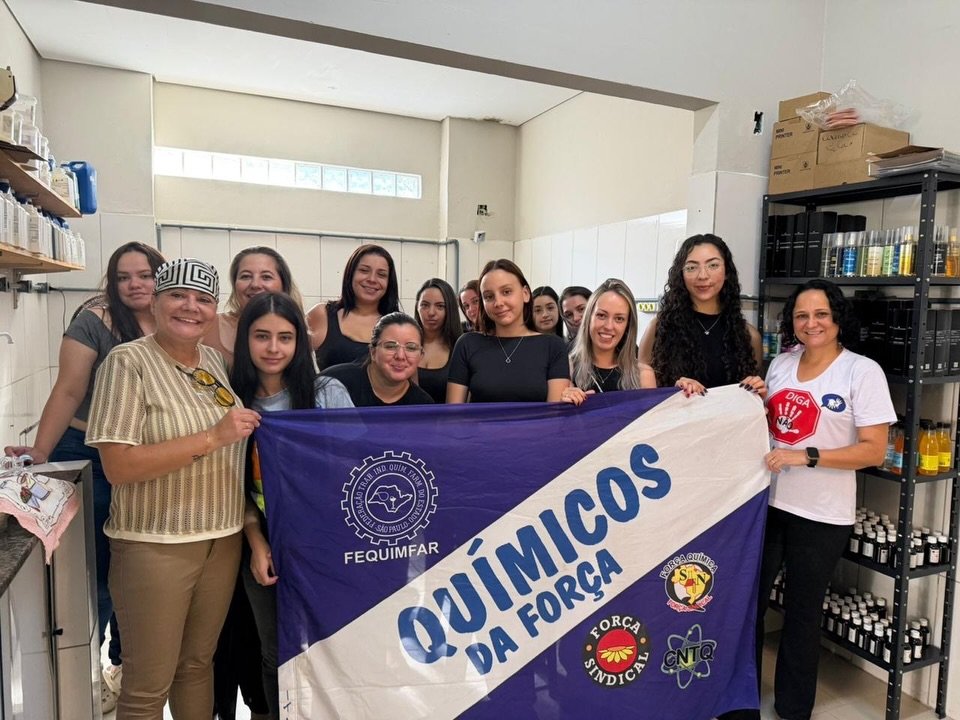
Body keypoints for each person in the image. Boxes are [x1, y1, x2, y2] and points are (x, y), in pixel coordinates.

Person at [85, 258, 261, 719]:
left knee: (197, 667)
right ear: (156, 302)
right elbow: (119, 466)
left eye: (203, 299)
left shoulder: (212, 362)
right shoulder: (127, 363)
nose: (190, 307)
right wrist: (212, 438)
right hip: (154, 544)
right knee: (148, 685)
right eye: (178, 296)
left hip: (221, 540)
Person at [4, 241, 165, 713]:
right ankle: (91, 667)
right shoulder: (94, 320)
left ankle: (126, 662)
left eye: (145, 274)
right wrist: (41, 451)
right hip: (89, 449)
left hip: (150, 455)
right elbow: (69, 390)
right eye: (123, 277)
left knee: (140, 565)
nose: (135, 284)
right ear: (111, 283)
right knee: (98, 566)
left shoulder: (177, 315)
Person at [744, 279, 895, 720]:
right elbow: (773, 424)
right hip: (770, 504)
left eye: (821, 314)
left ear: (837, 318)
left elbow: (873, 451)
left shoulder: (861, 372)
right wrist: (756, 400)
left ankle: (793, 709)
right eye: (802, 315)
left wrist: (807, 455)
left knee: (802, 613)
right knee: (750, 606)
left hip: (823, 514)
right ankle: (742, 700)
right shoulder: (781, 364)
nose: (811, 323)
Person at [229, 292, 354, 720]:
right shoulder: (232, 402)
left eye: (285, 337)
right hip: (265, 540)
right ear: (245, 340)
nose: (273, 348)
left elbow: (357, 467)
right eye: (261, 336)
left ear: (300, 342)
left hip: (327, 541)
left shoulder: (327, 393)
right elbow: (234, 487)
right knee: (275, 652)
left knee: (336, 647)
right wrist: (256, 541)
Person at [639, 233, 765, 396]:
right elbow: (644, 394)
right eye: (691, 267)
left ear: (727, 271)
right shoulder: (660, 327)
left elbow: (754, 398)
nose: (703, 276)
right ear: (681, 274)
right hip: (674, 413)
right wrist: (675, 391)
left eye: (713, 265)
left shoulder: (749, 336)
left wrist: (758, 390)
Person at [447, 259, 569, 403]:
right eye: (489, 297)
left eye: (506, 292)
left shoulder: (553, 346)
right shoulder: (467, 344)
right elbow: (453, 411)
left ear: (525, 293)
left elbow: (554, 412)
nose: (498, 303)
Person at [204, 246, 304, 367]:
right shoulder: (208, 326)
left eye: (266, 277)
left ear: (284, 284)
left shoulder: (298, 328)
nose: (255, 284)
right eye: (246, 276)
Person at [561, 278, 654, 405]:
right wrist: (562, 403)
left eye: (619, 319)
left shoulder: (644, 375)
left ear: (628, 326)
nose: (609, 326)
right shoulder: (565, 369)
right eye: (601, 315)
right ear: (588, 317)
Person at [308, 244, 401, 370]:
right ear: (350, 273)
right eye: (364, 271)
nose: (372, 279)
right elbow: (292, 358)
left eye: (381, 274)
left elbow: (410, 377)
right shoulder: (322, 315)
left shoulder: (400, 325)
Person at [323, 313, 434, 406]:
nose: (400, 356)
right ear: (373, 352)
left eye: (411, 348)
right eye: (390, 346)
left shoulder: (423, 406)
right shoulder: (333, 384)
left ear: (421, 356)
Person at [414, 278, 462, 403]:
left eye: (440, 306)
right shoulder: (404, 345)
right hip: (408, 414)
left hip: (448, 415)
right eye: (425, 305)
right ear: (417, 307)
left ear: (450, 309)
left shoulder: (460, 348)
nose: (431, 312)